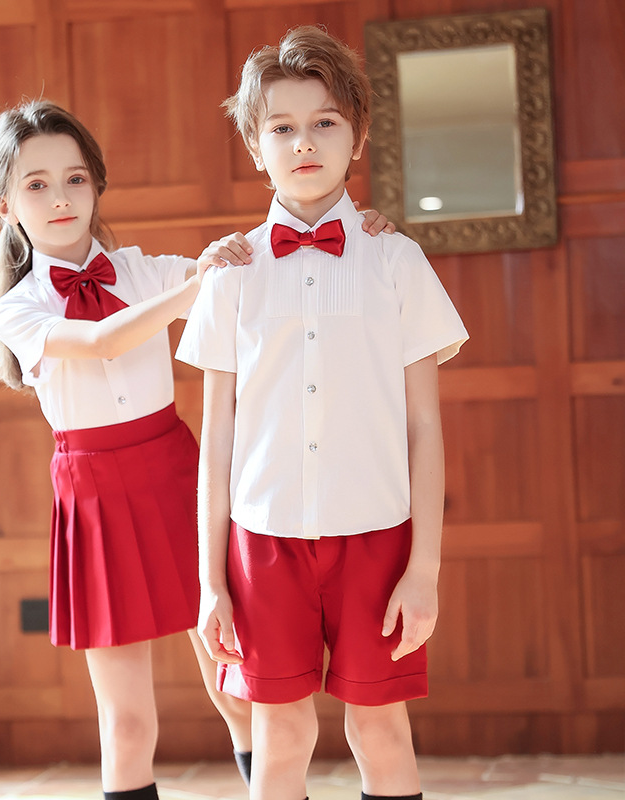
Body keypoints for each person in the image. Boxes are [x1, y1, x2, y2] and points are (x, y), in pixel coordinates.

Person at [0, 99, 392, 799]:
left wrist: (360, 232)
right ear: (4, 205)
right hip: (95, 496)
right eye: (36, 184)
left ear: (97, 185)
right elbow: (101, 342)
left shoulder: (143, 272)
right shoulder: (17, 304)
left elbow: (255, 266)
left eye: (74, 179)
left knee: (238, 696)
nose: (59, 198)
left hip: (181, 479)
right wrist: (192, 288)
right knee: (130, 724)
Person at [176, 26, 469, 800]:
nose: (303, 142)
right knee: (280, 734)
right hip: (262, 541)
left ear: (359, 135)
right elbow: (218, 440)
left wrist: (425, 570)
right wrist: (211, 580)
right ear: (254, 144)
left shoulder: (395, 260)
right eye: (281, 127)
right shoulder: (230, 277)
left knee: (381, 730)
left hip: (378, 537)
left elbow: (426, 429)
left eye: (324, 122)